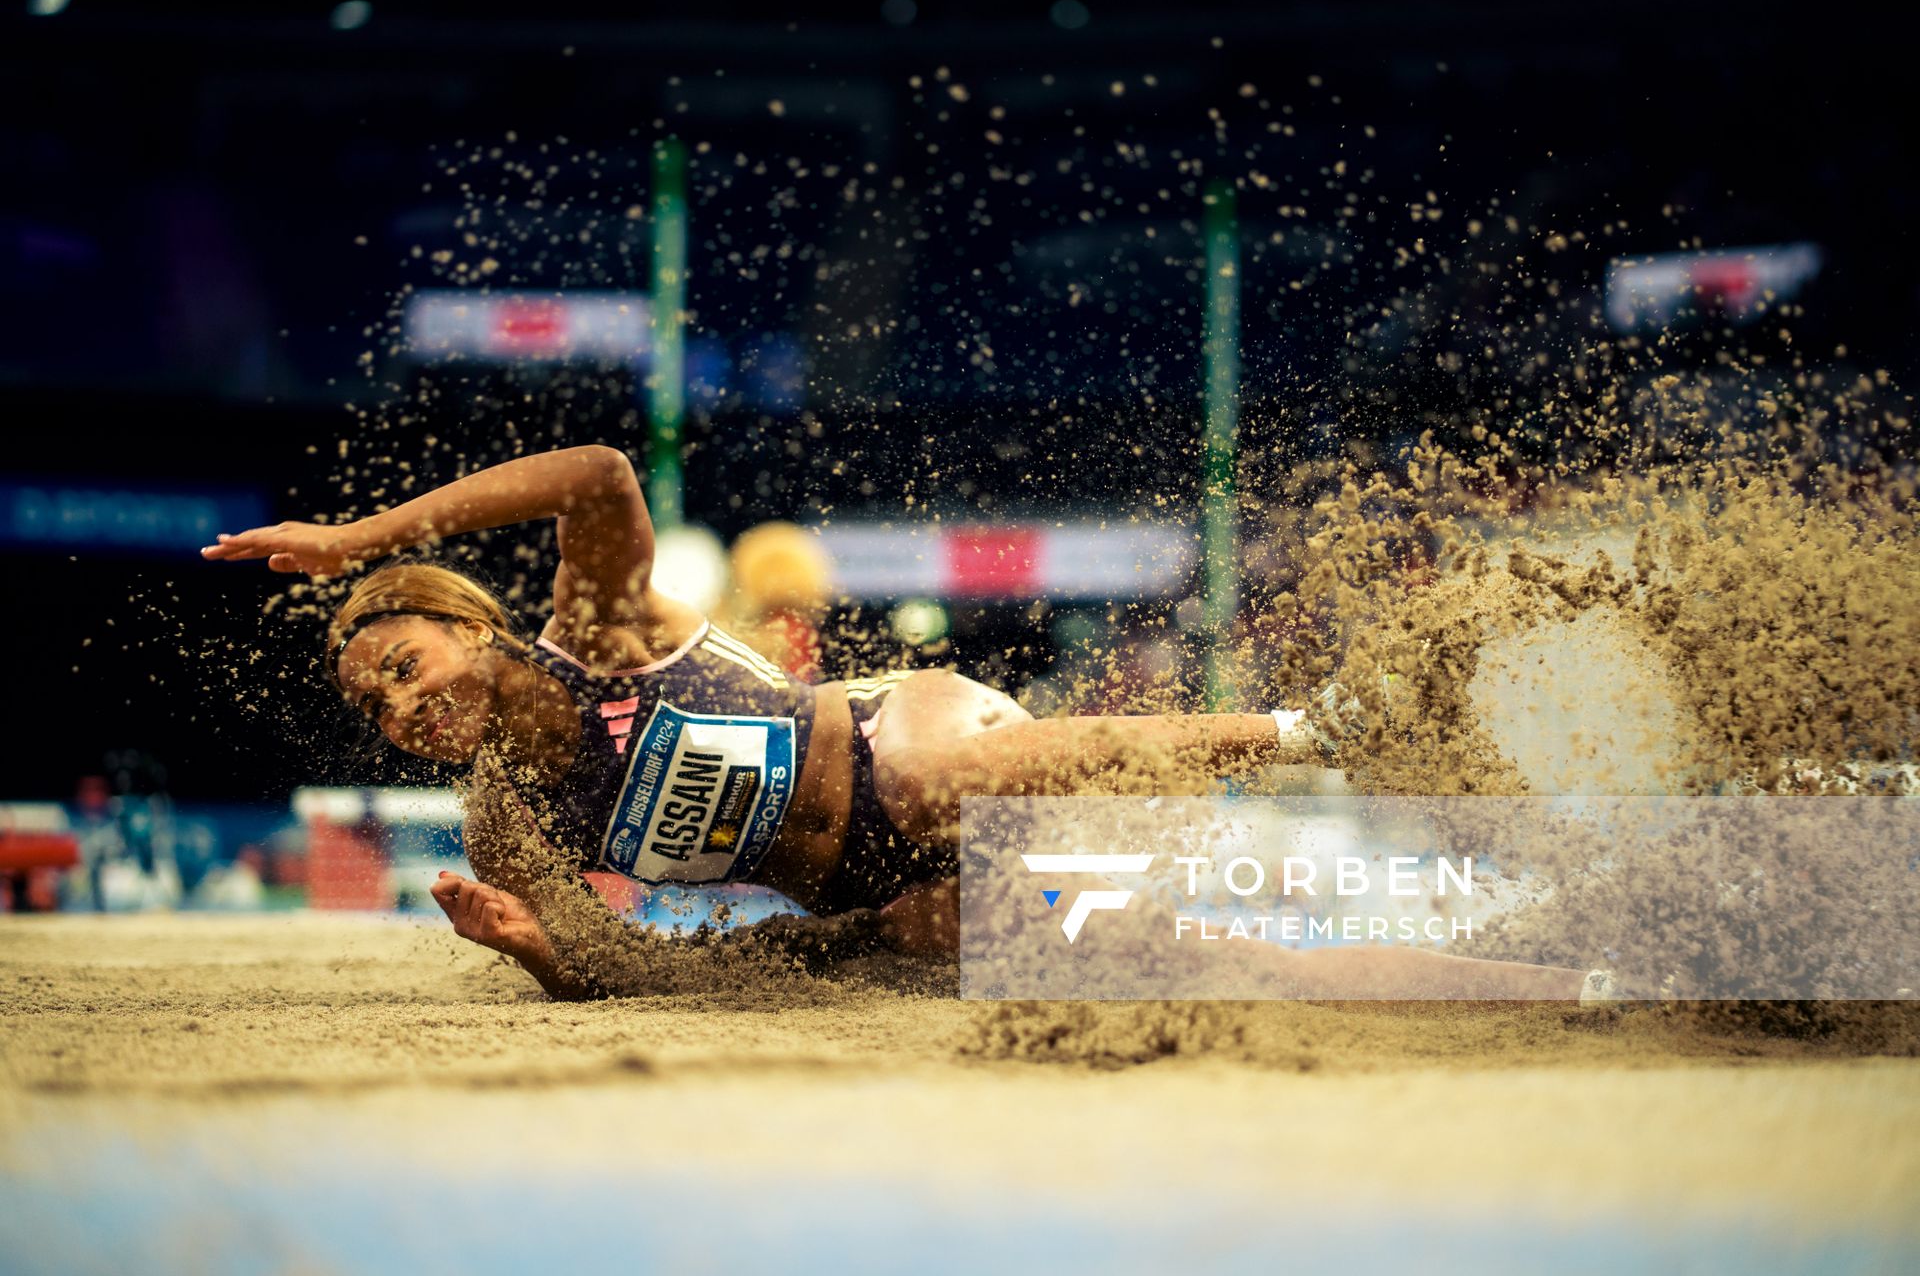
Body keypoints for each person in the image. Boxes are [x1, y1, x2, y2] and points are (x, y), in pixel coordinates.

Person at [205, 445, 1602, 1002]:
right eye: (367, 704)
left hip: (905, 743)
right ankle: (1558, 987)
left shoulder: (596, 635)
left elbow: (599, 472)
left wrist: (360, 536)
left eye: (399, 660)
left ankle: (1317, 729)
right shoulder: (505, 822)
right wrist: (537, 954)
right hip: (881, 888)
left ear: (468, 621)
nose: (392, 706)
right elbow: (624, 971)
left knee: (939, 776)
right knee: (1173, 960)